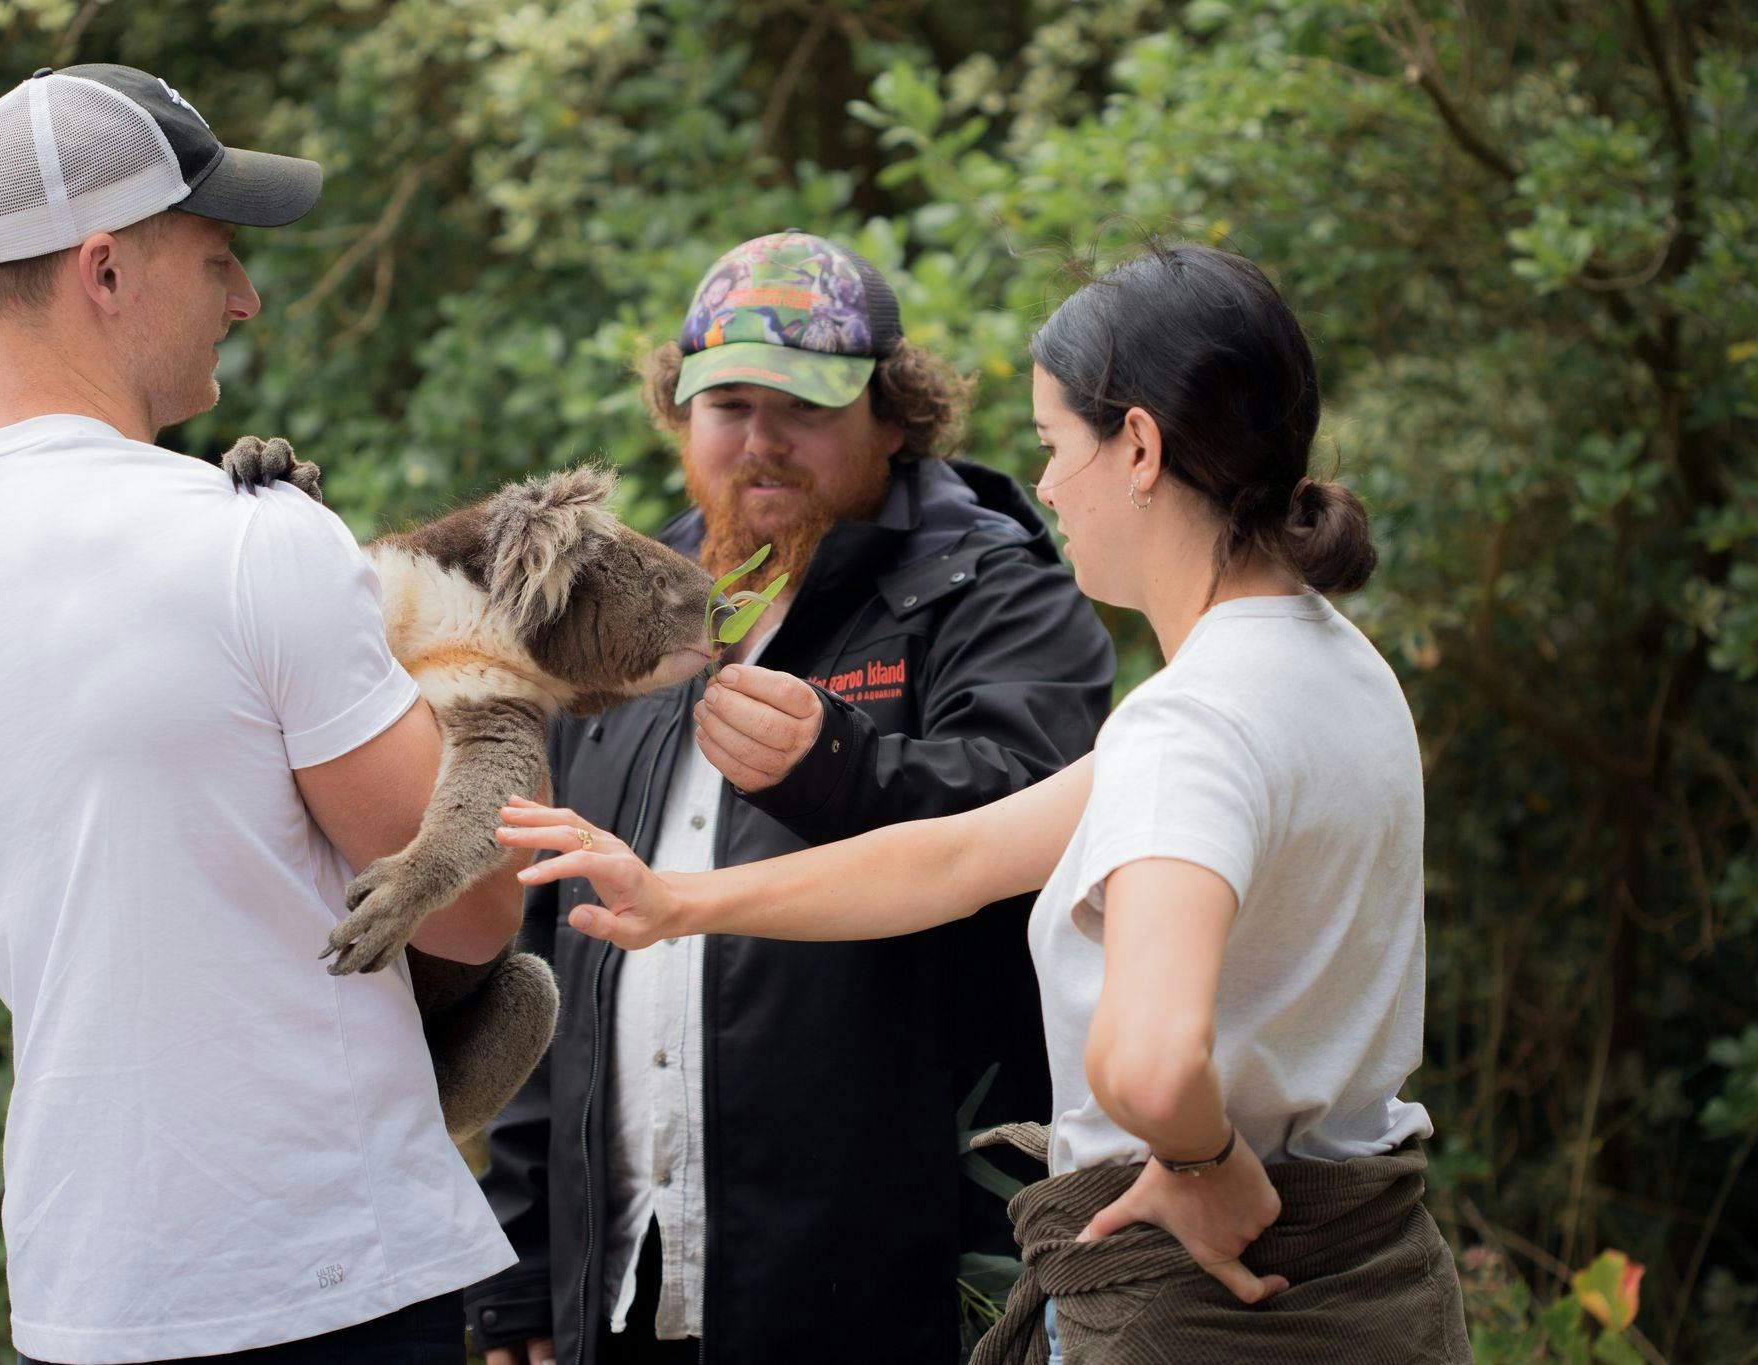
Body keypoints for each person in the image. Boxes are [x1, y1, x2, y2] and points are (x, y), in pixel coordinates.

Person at [495, 243, 1474, 1364]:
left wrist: (1199, 1163)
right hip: (1373, 1269)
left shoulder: (1182, 722)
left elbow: (1149, 1064)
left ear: (1140, 448)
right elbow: (956, 859)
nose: (1047, 487)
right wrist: (673, 900)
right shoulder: (1327, 659)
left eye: (1056, 445)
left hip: (1208, 1297)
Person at [0, 65, 521, 1365]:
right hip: (324, 1265)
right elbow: (477, 902)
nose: (246, 295)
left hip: (85, 1287)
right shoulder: (248, 541)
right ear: (104, 271)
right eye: (218, 255)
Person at [463, 231, 1117, 1365]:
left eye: (800, 406)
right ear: (677, 419)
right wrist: (524, 1259)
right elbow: (547, 916)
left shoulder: (992, 590)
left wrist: (844, 769)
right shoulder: (617, 609)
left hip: (888, 1288)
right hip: (625, 1287)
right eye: (726, 406)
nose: (759, 443)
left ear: (891, 415)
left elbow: (1035, 815)